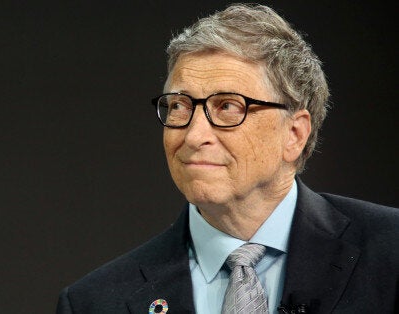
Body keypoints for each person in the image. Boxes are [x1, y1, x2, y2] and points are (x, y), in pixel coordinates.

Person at [55, 3, 398, 314]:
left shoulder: (389, 251)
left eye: (227, 106)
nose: (193, 136)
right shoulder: (95, 302)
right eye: (179, 106)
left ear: (294, 134)